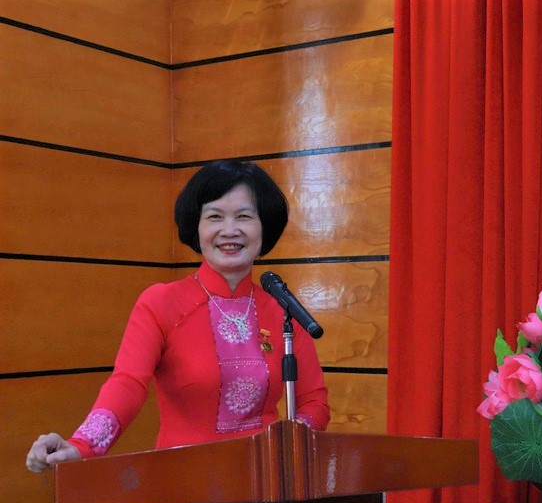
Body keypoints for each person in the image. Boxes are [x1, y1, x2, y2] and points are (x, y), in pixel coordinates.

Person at [26, 160, 330, 472]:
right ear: (196, 227)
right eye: (214, 216)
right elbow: (128, 384)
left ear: (265, 226)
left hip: (265, 479)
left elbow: (314, 401)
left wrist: (293, 440)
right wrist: (82, 445)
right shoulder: (161, 303)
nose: (230, 230)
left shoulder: (282, 309)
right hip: (183, 480)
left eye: (244, 216)